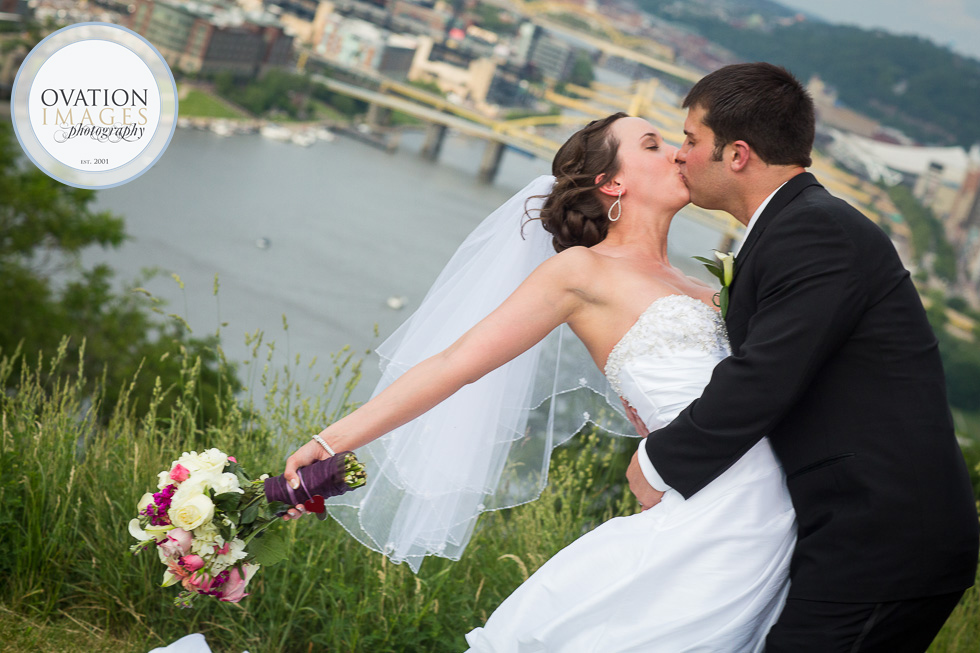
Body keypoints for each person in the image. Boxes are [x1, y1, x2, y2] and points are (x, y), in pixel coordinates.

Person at [283, 113, 797, 651]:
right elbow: (452, 364)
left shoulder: (712, 287)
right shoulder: (581, 272)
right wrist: (329, 442)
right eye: (652, 144)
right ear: (612, 184)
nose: (676, 152)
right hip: (711, 518)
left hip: (777, 512)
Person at [626, 62, 980, 652]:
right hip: (850, 530)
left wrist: (660, 461)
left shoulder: (814, 231)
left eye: (691, 140)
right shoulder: (795, 226)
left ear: (736, 155)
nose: (680, 155)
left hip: (883, 537)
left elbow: (765, 376)